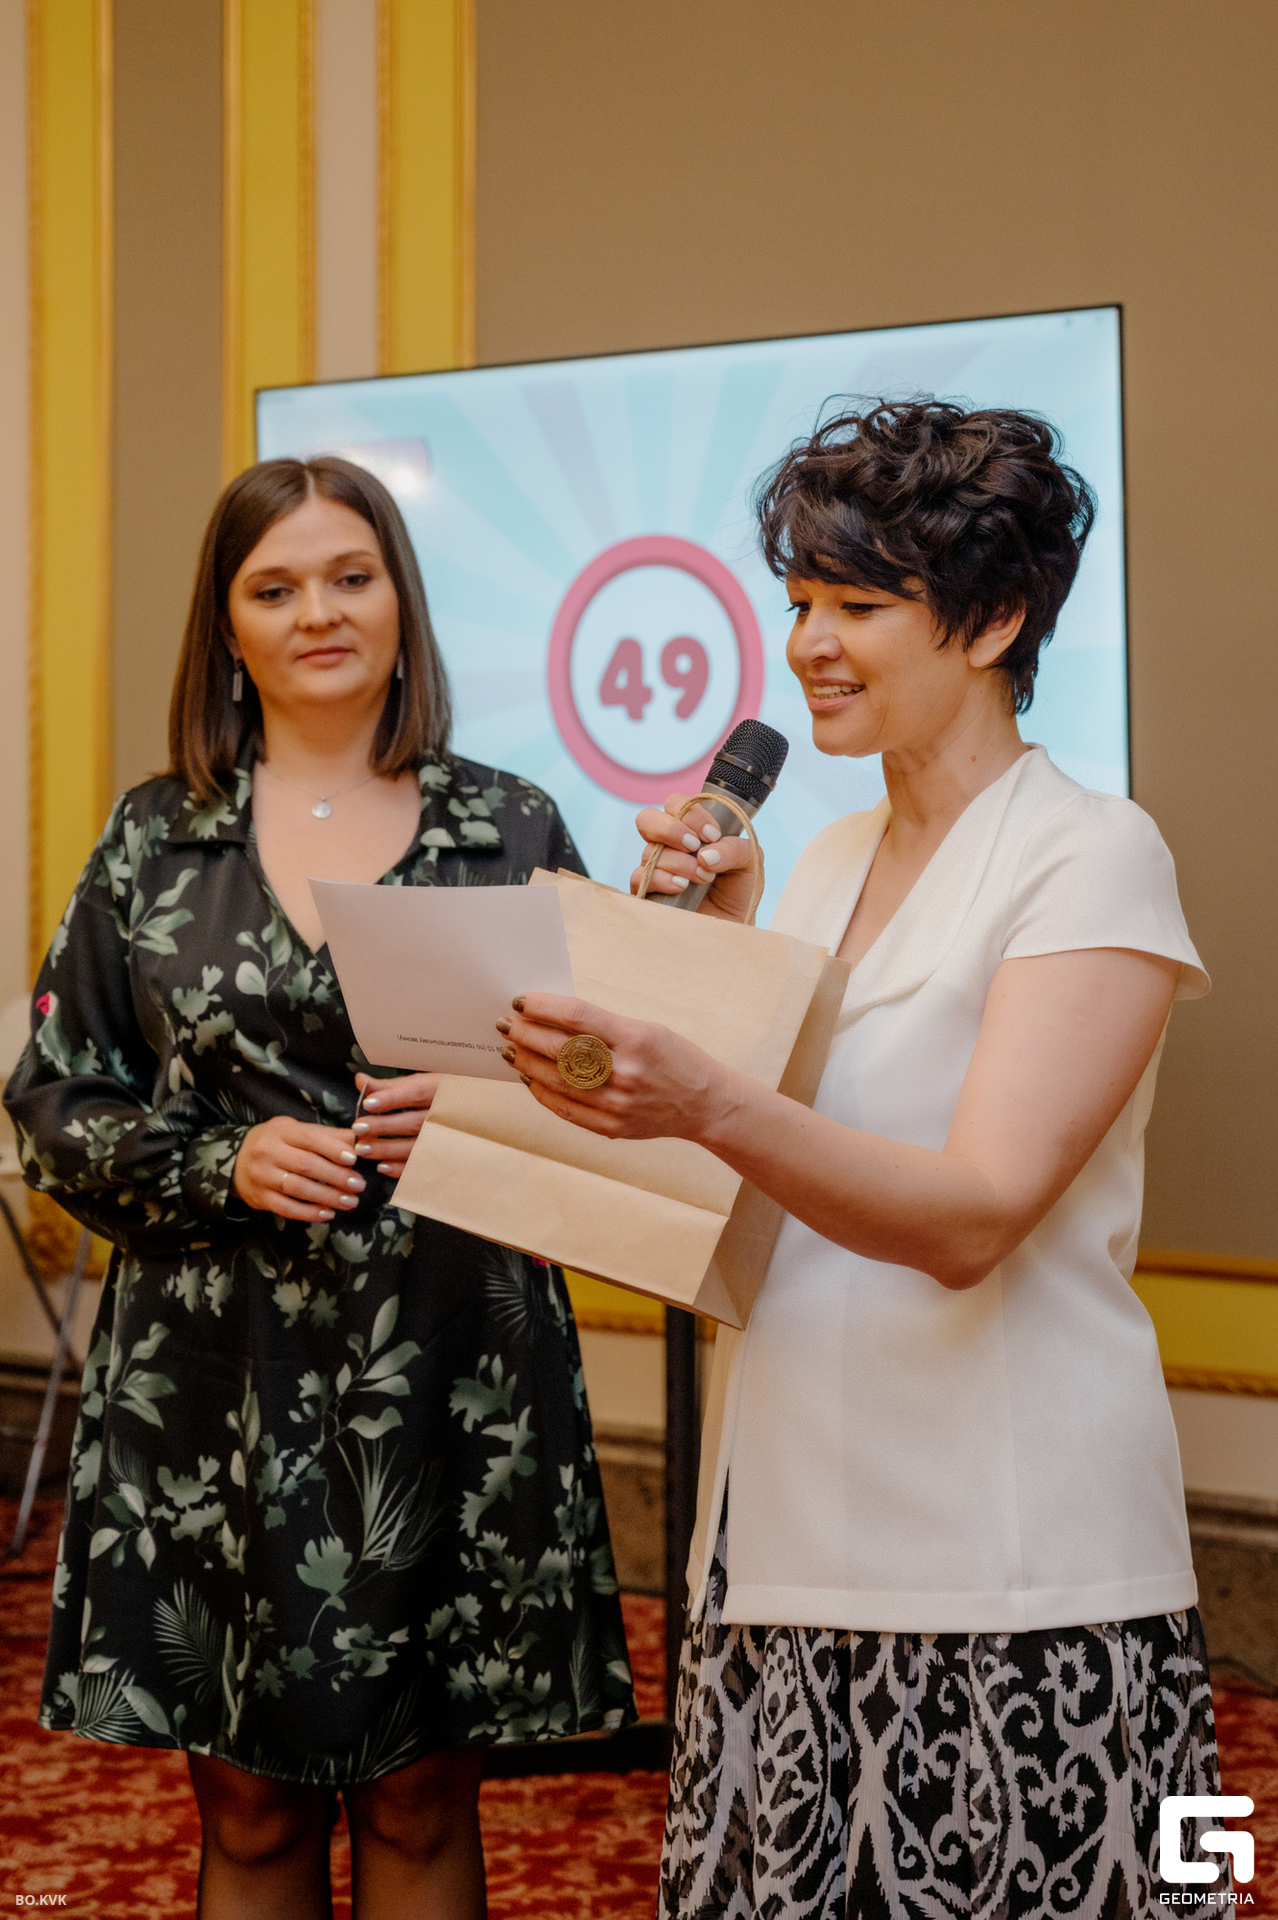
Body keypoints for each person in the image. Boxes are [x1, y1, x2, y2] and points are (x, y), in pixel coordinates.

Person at [500, 403, 1228, 1917]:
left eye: (857, 605)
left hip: (1025, 1564)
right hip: (780, 1531)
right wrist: (704, 969)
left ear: (996, 619)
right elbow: (777, 1181)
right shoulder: (821, 862)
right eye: (798, 604)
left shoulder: (1093, 852)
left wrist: (705, 1093)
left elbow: (972, 1218)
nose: (808, 646)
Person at [5, 457, 634, 1920]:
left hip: (455, 1371)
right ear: (227, 627)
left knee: (421, 1795)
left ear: (400, 601)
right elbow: (55, 1098)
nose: (319, 613)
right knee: (248, 1805)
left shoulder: (512, 828)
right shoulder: (153, 839)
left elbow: (616, 1089)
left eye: (351, 576)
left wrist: (484, 1121)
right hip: (211, 1383)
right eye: (275, 587)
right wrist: (216, 1160)